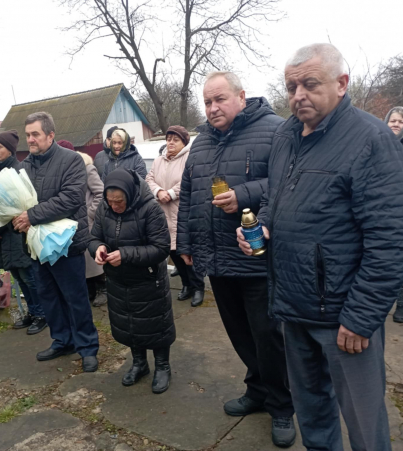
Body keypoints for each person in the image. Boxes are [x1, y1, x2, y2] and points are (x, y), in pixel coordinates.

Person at [238, 43, 403, 451]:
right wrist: (259, 229)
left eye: (310, 84)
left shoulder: (370, 140)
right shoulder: (285, 136)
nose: (298, 95)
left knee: (365, 427)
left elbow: (392, 238)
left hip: (344, 320)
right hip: (293, 309)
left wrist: (362, 315)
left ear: (341, 84)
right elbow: (274, 201)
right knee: (313, 416)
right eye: (291, 86)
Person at [177, 72, 295, 447]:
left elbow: (287, 181)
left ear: (241, 97)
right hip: (215, 256)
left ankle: (282, 406)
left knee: (268, 336)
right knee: (240, 333)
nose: (212, 108)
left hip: (256, 257)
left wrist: (244, 193)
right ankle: (257, 390)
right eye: (207, 102)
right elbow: (190, 195)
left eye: (220, 99)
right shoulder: (200, 143)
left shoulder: (275, 130)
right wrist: (185, 243)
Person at [13, 112, 99, 372]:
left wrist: (31, 215)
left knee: (75, 297)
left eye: (35, 134)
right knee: (49, 297)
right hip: (37, 245)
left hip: (66, 244)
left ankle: (87, 347)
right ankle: (62, 340)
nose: (30, 139)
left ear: (50, 135)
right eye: (28, 135)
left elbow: (71, 198)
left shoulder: (72, 161)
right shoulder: (25, 165)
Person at [89, 168, 175, 393]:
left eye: (119, 201)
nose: (115, 206)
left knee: (156, 325)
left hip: (147, 279)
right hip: (118, 280)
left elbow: (161, 248)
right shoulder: (105, 207)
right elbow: (95, 236)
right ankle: (139, 363)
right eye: (111, 201)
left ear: (130, 194)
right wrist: (97, 248)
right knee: (129, 324)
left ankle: (163, 366)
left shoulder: (150, 209)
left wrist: (125, 255)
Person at [0, 130, 47, 334]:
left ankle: (41, 314)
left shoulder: (19, 170)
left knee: (30, 277)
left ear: (10, 149)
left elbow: (14, 207)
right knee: (20, 277)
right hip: (5, 237)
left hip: (18, 234)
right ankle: (32, 311)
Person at [146, 126, 205, 306]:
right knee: (172, 251)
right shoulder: (158, 160)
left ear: (184, 142)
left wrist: (170, 193)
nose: (171, 143)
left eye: (175, 140)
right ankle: (186, 285)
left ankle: (198, 286)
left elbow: (191, 180)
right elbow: (149, 179)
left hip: (183, 211)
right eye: (169, 139)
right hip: (164, 213)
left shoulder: (189, 158)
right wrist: (158, 192)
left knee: (187, 251)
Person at [57, 139, 108, 307]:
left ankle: (103, 289)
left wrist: (89, 214)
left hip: (87, 221)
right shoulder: (64, 171)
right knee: (82, 260)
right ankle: (90, 290)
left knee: (92, 257)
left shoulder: (87, 168)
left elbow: (101, 193)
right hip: (72, 223)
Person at [384, 107, 403, 323]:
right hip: (383, 210)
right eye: (392, 120)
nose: (396, 124)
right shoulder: (378, 145)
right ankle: (383, 300)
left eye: (400, 121)